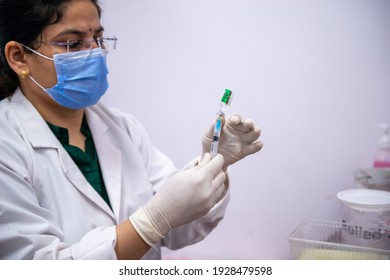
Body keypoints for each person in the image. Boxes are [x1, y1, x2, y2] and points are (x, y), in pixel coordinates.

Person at [0, 0, 262, 260]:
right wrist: (150, 222)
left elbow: (181, 228)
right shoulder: (6, 142)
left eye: (99, 39)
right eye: (73, 43)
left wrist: (215, 163)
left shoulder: (122, 128)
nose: (94, 53)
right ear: (19, 57)